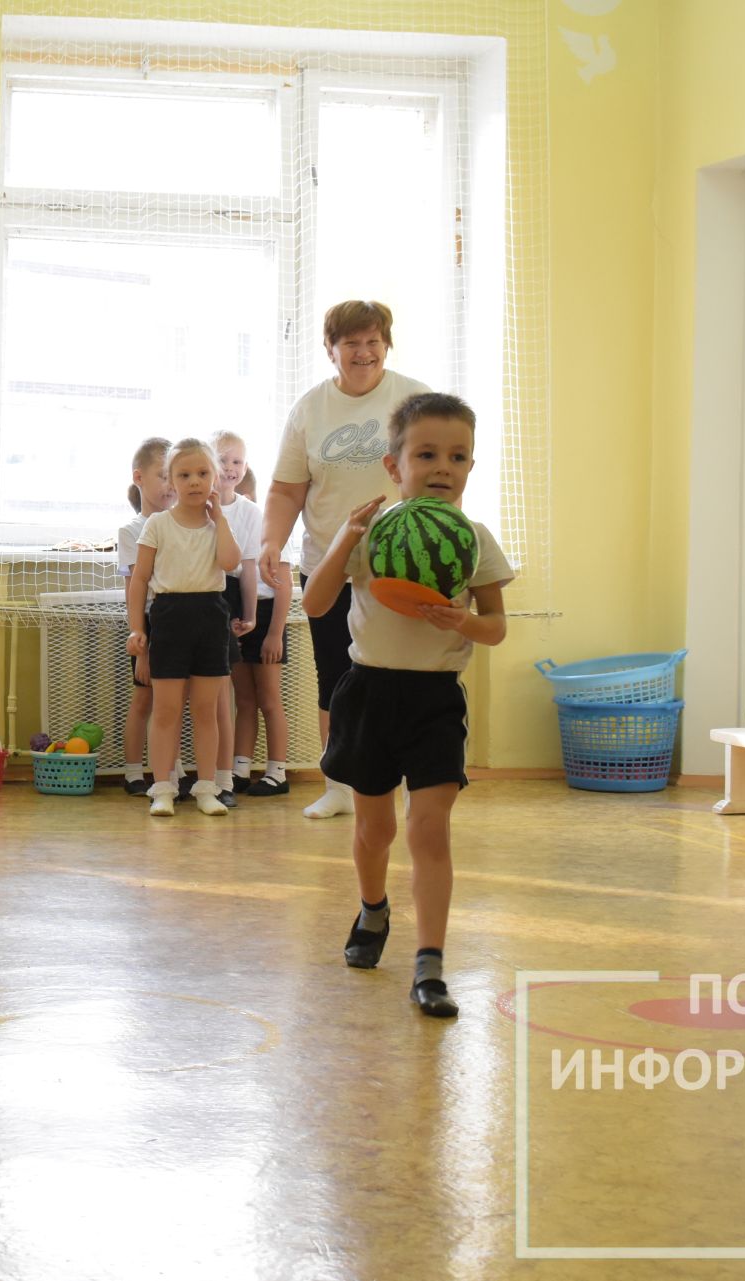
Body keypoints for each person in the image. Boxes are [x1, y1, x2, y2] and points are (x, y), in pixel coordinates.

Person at [301, 392, 511, 1018]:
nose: (443, 467)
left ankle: (430, 964)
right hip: (369, 693)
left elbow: (497, 626)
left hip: (434, 699)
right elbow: (314, 604)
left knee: (429, 831)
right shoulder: (374, 534)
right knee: (375, 829)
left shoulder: (473, 540)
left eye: (458, 456)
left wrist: (463, 621)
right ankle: (372, 908)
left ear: (471, 466)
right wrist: (345, 536)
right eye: (427, 454)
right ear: (394, 467)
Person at [258, 301, 431, 819]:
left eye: (373, 341)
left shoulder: (415, 399)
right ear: (330, 349)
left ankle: (393, 784)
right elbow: (288, 490)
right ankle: (338, 786)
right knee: (337, 675)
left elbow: (441, 476)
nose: (364, 352)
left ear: (387, 344)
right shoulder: (311, 409)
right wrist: (271, 541)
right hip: (328, 564)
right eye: (351, 343)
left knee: (398, 673)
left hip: (400, 563)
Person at [125, 438, 241, 819]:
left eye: (203, 473)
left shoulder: (217, 525)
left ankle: (207, 787)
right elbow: (140, 580)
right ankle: (163, 788)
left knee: (206, 710)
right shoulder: (158, 524)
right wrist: (137, 629)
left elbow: (229, 562)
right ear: (172, 481)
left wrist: (220, 519)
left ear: (215, 479)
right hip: (170, 617)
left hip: (210, 617)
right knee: (166, 710)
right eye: (185, 474)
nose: (194, 481)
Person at [233, 461, 294, 797]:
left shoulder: (274, 532)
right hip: (244, 614)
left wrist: (274, 633)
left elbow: (283, 585)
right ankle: (241, 768)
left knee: (269, 700)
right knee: (244, 699)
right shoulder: (235, 531)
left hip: (269, 616)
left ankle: (277, 772)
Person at [116, 437, 173, 796]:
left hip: (176, 618)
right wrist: (141, 640)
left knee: (171, 700)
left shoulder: (181, 523)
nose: (170, 485)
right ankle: (134, 771)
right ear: (140, 477)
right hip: (150, 621)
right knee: (144, 699)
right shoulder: (132, 531)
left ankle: (169, 771)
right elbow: (135, 589)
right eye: (163, 475)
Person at [210, 429, 261, 806]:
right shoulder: (193, 505)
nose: (230, 468)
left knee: (224, 693)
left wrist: (250, 615)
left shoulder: (249, 513)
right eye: (223, 460)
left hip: (227, 599)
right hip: (196, 595)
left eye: (237, 461)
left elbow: (249, 569)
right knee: (196, 697)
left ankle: (223, 778)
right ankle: (184, 773)